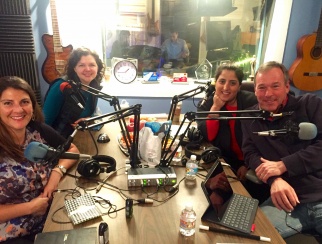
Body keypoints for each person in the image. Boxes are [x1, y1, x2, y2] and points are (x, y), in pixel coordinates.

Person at [241, 61, 322, 238]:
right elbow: (250, 154)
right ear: (254, 90)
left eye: (275, 86)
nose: (268, 94)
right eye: (261, 88)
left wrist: (283, 165)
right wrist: (274, 179)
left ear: (286, 86)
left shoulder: (310, 104)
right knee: (245, 235)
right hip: (286, 202)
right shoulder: (249, 117)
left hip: (319, 193)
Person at [0, 76, 79, 243]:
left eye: (24, 102)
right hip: (14, 235)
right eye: (8, 103)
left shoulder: (37, 130)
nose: (18, 109)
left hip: (51, 218)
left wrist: (57, 173)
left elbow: (72, 150)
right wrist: (30, 207)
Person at [197, 64, 270, 203]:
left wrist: (248, 164)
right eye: (222, 81)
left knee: (247, 201)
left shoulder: (252, 102)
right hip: (226, 161)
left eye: (232, 83)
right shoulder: (207, 103)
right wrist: (216, 107)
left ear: (239, 86)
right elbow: (208, 136)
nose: (226, 88)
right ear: (215, 82)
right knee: (213, 197)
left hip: (254, 161)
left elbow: (264, 140)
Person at [43, 47, 105, 138]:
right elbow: (45, 123)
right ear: (74, 68)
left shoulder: (93, 86)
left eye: (92, 65)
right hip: (59, 141)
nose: (87, 69)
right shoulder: (61, 86)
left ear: (97, 67)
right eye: (81, 65)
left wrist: (90, 119)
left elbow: (95, 114)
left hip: (80, 137)